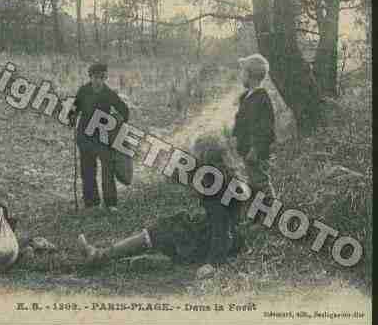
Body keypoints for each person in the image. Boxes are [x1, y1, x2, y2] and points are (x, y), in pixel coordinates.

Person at [77, 135, 244, 267]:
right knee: (175, 223)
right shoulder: (225, 178)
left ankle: (102, 255)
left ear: (205, 158)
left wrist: (212, 264)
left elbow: (221, 231)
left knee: (166, 228)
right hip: (222, 235)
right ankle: (156, 259)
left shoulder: (214, 187)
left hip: (214, 240)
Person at [69, 63, 130, 213]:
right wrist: (71, 118)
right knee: (87, 171)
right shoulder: (83, 91)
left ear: (105, 78)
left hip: (103, 138)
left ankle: (110, 203)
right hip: (85, 137)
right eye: (96, 77)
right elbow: (74, 109)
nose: (98, 81)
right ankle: (91, 203)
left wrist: (116, 124)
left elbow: (124, 111)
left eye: (102, 78)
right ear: (90, 77)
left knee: (107, 171)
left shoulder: (109, 93)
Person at [232, 54, 276, 199]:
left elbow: (265, 128)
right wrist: (235, 138)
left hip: (255, 151)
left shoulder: (261, 98)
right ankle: (259, 216)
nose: (240, 76)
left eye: (242, 72)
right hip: (246, 150)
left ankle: (273, 214)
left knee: (262, 183)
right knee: (253, 182)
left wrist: (256, 148)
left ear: (250, 75)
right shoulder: (247, 97)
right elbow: (242, 123)